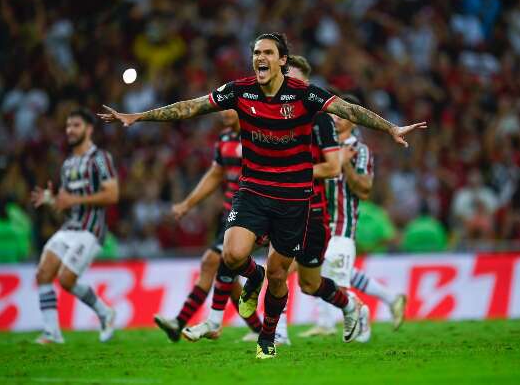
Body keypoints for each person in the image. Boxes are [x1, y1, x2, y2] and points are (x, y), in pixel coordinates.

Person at [99, 33, 426, 358]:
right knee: (231, 255)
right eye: (256, 52)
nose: (260, 58)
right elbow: (192, 107)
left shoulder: (304, 95)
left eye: (268, 52)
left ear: (282, 60)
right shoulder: (240, 90)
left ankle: (268, 339)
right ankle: (250, 285)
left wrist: (391, 128)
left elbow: (349, 111)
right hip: (253, 190)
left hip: (294, 199)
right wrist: (139, 116)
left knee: (284, 275)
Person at [183, 54, 346, 346]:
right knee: (231, 255)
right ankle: (238, 324)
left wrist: (287, 172)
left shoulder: (319, 121)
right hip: (264, 198)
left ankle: (349, 306)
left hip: (309, 209)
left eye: (294, 79)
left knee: (306, 282)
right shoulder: (261, 114)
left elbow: (333, 167)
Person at [299, 94, 407, 341]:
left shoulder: (360, 151)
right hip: (317, 222)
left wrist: (343, 165)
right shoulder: (323, 146)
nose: (336, 119)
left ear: (354, 121)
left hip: (342, 226)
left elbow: (365, 190)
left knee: (334, 280)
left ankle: (359, 322)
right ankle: (388, 298)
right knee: (325, 277)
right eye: (333, 114)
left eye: (342, 115)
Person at [153, 110, 263, 342]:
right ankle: (258, 330)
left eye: (229, 107)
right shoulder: (224, 138)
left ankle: (184, 321)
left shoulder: (258, 136)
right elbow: (215, 175)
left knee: (212, 261)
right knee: (228, 276)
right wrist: (187, 204)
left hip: (251, 213)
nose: (223, 112)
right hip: (228, 215)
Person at [31, 109, 119, 344]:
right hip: (70, 227)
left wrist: (74, 200)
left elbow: (112, 194)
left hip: (91, 230)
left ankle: (105, 312)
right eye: (68, 126)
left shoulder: (100, 158)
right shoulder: (68, 164)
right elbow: (67, 202)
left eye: (76, 125)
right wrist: (52, 199)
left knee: (66, 279)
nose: (70, 130)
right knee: (43, 273)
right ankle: (52, 332)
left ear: (89, 129)